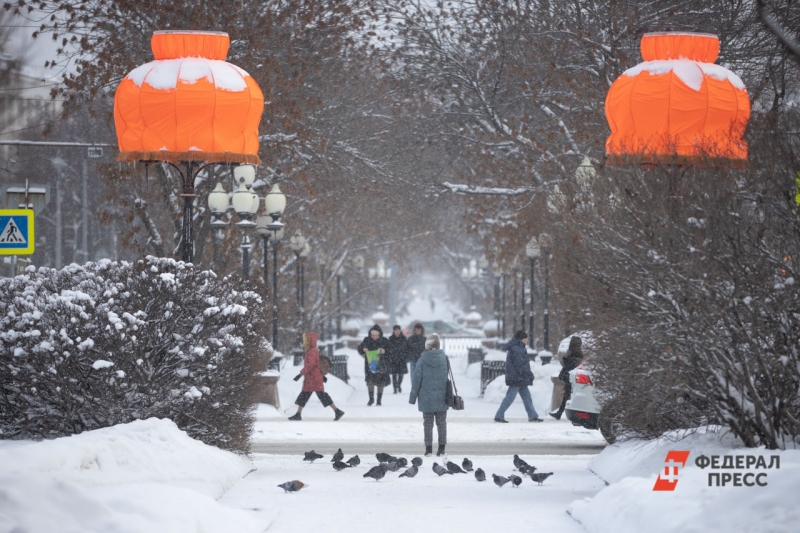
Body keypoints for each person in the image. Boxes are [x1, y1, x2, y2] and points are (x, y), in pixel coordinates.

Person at [409, 333, 450, 457]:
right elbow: (446, 374)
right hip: (442, 396)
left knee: (427, 424)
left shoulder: (422, 360)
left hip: (426, 398)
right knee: (442, 423)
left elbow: (416, 380)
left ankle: (428, 449)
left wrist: (412, 397)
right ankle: (441, 449)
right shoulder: (444, 358)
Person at [288, 332, 345, 421]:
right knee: (307, 395)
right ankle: (298, 414)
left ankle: (337, 411)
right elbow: (316, 364)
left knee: (314, 395)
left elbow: (309, 366)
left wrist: (300, 374)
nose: (304, 342)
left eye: (305, 340)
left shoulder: (311, 352)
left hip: (312, 378)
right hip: (314, 377)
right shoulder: (315, 350)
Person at [494, 330, 543, 423]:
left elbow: (520, 364)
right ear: (522, 339)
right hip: (517, 378)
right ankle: (499, 415)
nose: (527, 340)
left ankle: (532, 416)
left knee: (526, 397)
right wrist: (529, 373)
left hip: (519, 377)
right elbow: (520, 364)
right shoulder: (517, 349)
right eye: (526, 338)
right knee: (510, 398)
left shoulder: (517, 347)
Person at [549, 336, 583, 420]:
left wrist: (565, 360)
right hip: (572, 376)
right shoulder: (577, 353)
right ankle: (560, 413)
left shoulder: (573, 353)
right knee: (568, 396)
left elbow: (569, 364)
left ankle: (561, 413)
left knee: (569, 396)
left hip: (571, 377)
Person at [357, 324, 391, 406]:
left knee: (381, 382)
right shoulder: (367, 340)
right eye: (372, 335)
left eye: (376, 335)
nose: (374, 337)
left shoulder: (384, 341)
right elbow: (360, 349)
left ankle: (379, 400)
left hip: (381, 364)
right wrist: (363, 349)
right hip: (369, 365)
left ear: (379, 335)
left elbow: (390, 351)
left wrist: (384, 351)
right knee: (370, 382)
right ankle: (371, 399)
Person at [387, 325, 409, 394]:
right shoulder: (390, 339)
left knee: (401, 374)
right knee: (394, 374)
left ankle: (398, 384)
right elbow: (388, 348)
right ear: (394, 331)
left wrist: (406, 356)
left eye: (398, 330)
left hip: (402, 358)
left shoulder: (404, 338)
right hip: (393, 359)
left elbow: (407, 348)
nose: (397, 332)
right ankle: (395, 389)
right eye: (396, 330)